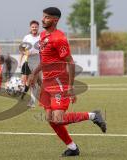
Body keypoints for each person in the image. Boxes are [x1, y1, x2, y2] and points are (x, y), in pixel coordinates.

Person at [29, 7, 107, 157]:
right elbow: (45, 60)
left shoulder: (59, 38)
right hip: (47, 82)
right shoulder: (43, 35)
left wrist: (70, 87)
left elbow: (70, 63)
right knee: (50, 119)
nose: (42, 19)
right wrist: (34, 73)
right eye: (43, 16)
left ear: (55, 20)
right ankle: (72, 148)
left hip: (59, 82)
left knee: (58, 119)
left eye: (46, 17)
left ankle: (93, 115)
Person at [19, 20, 41, 107]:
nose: (34, 28)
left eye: (36, 27)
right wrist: (21, 60)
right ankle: (23, 94)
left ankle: (32, 102)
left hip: (37, 59)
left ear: (38, 28)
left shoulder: (41, 37)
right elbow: (22, 49)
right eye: (33, 27)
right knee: (25, 80)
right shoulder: (26, 37)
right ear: (30, 28)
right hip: (27, 59)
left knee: (33, 80)